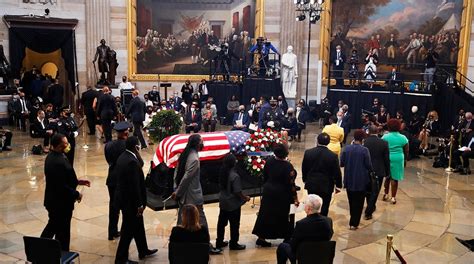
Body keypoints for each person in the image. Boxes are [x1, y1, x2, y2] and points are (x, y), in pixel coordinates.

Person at [171, 134, 222, 254]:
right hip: (191, 195)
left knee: (181, 220)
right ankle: (207, 245)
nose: (203, 143)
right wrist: (177, 192)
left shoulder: (185, 154)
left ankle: (177, 244)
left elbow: (177, 173)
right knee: (201, 220)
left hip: (184, 195)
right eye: (202, 141)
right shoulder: (194, 158)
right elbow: (187, 177)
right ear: (197, 143)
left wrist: (176, 189)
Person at [41, 133, 90, 251]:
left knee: (58, 229)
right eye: (65, 143)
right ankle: (42, 251)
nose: (68, 145)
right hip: (59, 203)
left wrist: (78, 182)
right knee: (58, 230)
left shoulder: (57, 155)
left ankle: (57, 254)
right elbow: (61, 186)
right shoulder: (56, 161)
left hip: (57, 202)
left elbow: (63, 177)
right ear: (58, 146)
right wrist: (76, 194)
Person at [114, 136, 157, 263]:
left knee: (138, 226)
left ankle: (143, 249)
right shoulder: (132, 161)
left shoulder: (123, 156)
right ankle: (121, 259)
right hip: (131, 203)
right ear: (136, 147)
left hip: (124, 200)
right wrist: (139, 204)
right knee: (127, 232)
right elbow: (135, 186)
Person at [252, 144, 299, 247]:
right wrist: (295, 197)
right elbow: (291, 184)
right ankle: (287, 236)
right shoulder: (288, 166)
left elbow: (265, 176)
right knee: (283, 215)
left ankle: (261, 237)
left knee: (265, 215)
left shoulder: (269, 161)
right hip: (282, 194)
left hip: (269, 192)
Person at [276, 195, 334, 264]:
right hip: (322, 254)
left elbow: (293, 246)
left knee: (282, 246)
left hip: (304, 256)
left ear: (308, 208)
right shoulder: (328, 221)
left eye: (304, 204)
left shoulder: (301, 224)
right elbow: (329, 236)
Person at [302, 133, 342, 216]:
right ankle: (322, 224)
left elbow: (304, 168)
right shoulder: (332, 156)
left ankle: (311, 223)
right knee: (324, 206)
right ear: (328, 142)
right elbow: (337, 172)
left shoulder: (308, 152)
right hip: (326, 186)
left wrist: (305, 179)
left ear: (317, 140)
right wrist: (338, 185)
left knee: (311, 205)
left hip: (312, 184)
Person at [340, 129, 373, 230]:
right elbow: (369, 166)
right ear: (363, 139)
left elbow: (341, 163)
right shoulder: (364, 150)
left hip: (349, 179)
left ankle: (352, 220)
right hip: (361, 180)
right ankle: (355, 223)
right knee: (359, 203)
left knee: (351, 201)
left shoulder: (346, 149)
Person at [216, 154, 250, 250]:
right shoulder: (235, 176)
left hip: (223, 202)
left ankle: (219, 241)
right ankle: (234, 243)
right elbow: (237, 192)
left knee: (221, 223)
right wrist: (245, 198)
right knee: (234, 224)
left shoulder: (223, 172)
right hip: (233, 204)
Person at [104, 122, 130, 241]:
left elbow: (109, 160)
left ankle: (111, 232)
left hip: (111, 178)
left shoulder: (108, 145)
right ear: (126, 132)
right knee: (125, 206)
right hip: (123, 179)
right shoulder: (128, 146)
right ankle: (125, 233)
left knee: (113, 207)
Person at [363, 125, 390, 220]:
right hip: (379, 170)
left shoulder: (364, 142)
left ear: (369, 132)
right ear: (377, 132)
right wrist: (388, 172)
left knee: (367, 191)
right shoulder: (384, 143)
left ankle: (370, 206)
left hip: (366, 170)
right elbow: (386, 159)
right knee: (375, 192)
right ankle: (369, 211)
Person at [382, 119, 409, 204]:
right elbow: (406, 150)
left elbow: (382, 148)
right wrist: (405, 160)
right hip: (398, 158)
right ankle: (393, 197)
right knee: (395, 178)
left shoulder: (385, 137)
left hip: (387, 158)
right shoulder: (403, 138)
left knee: (387, 177)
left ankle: (386, 194)